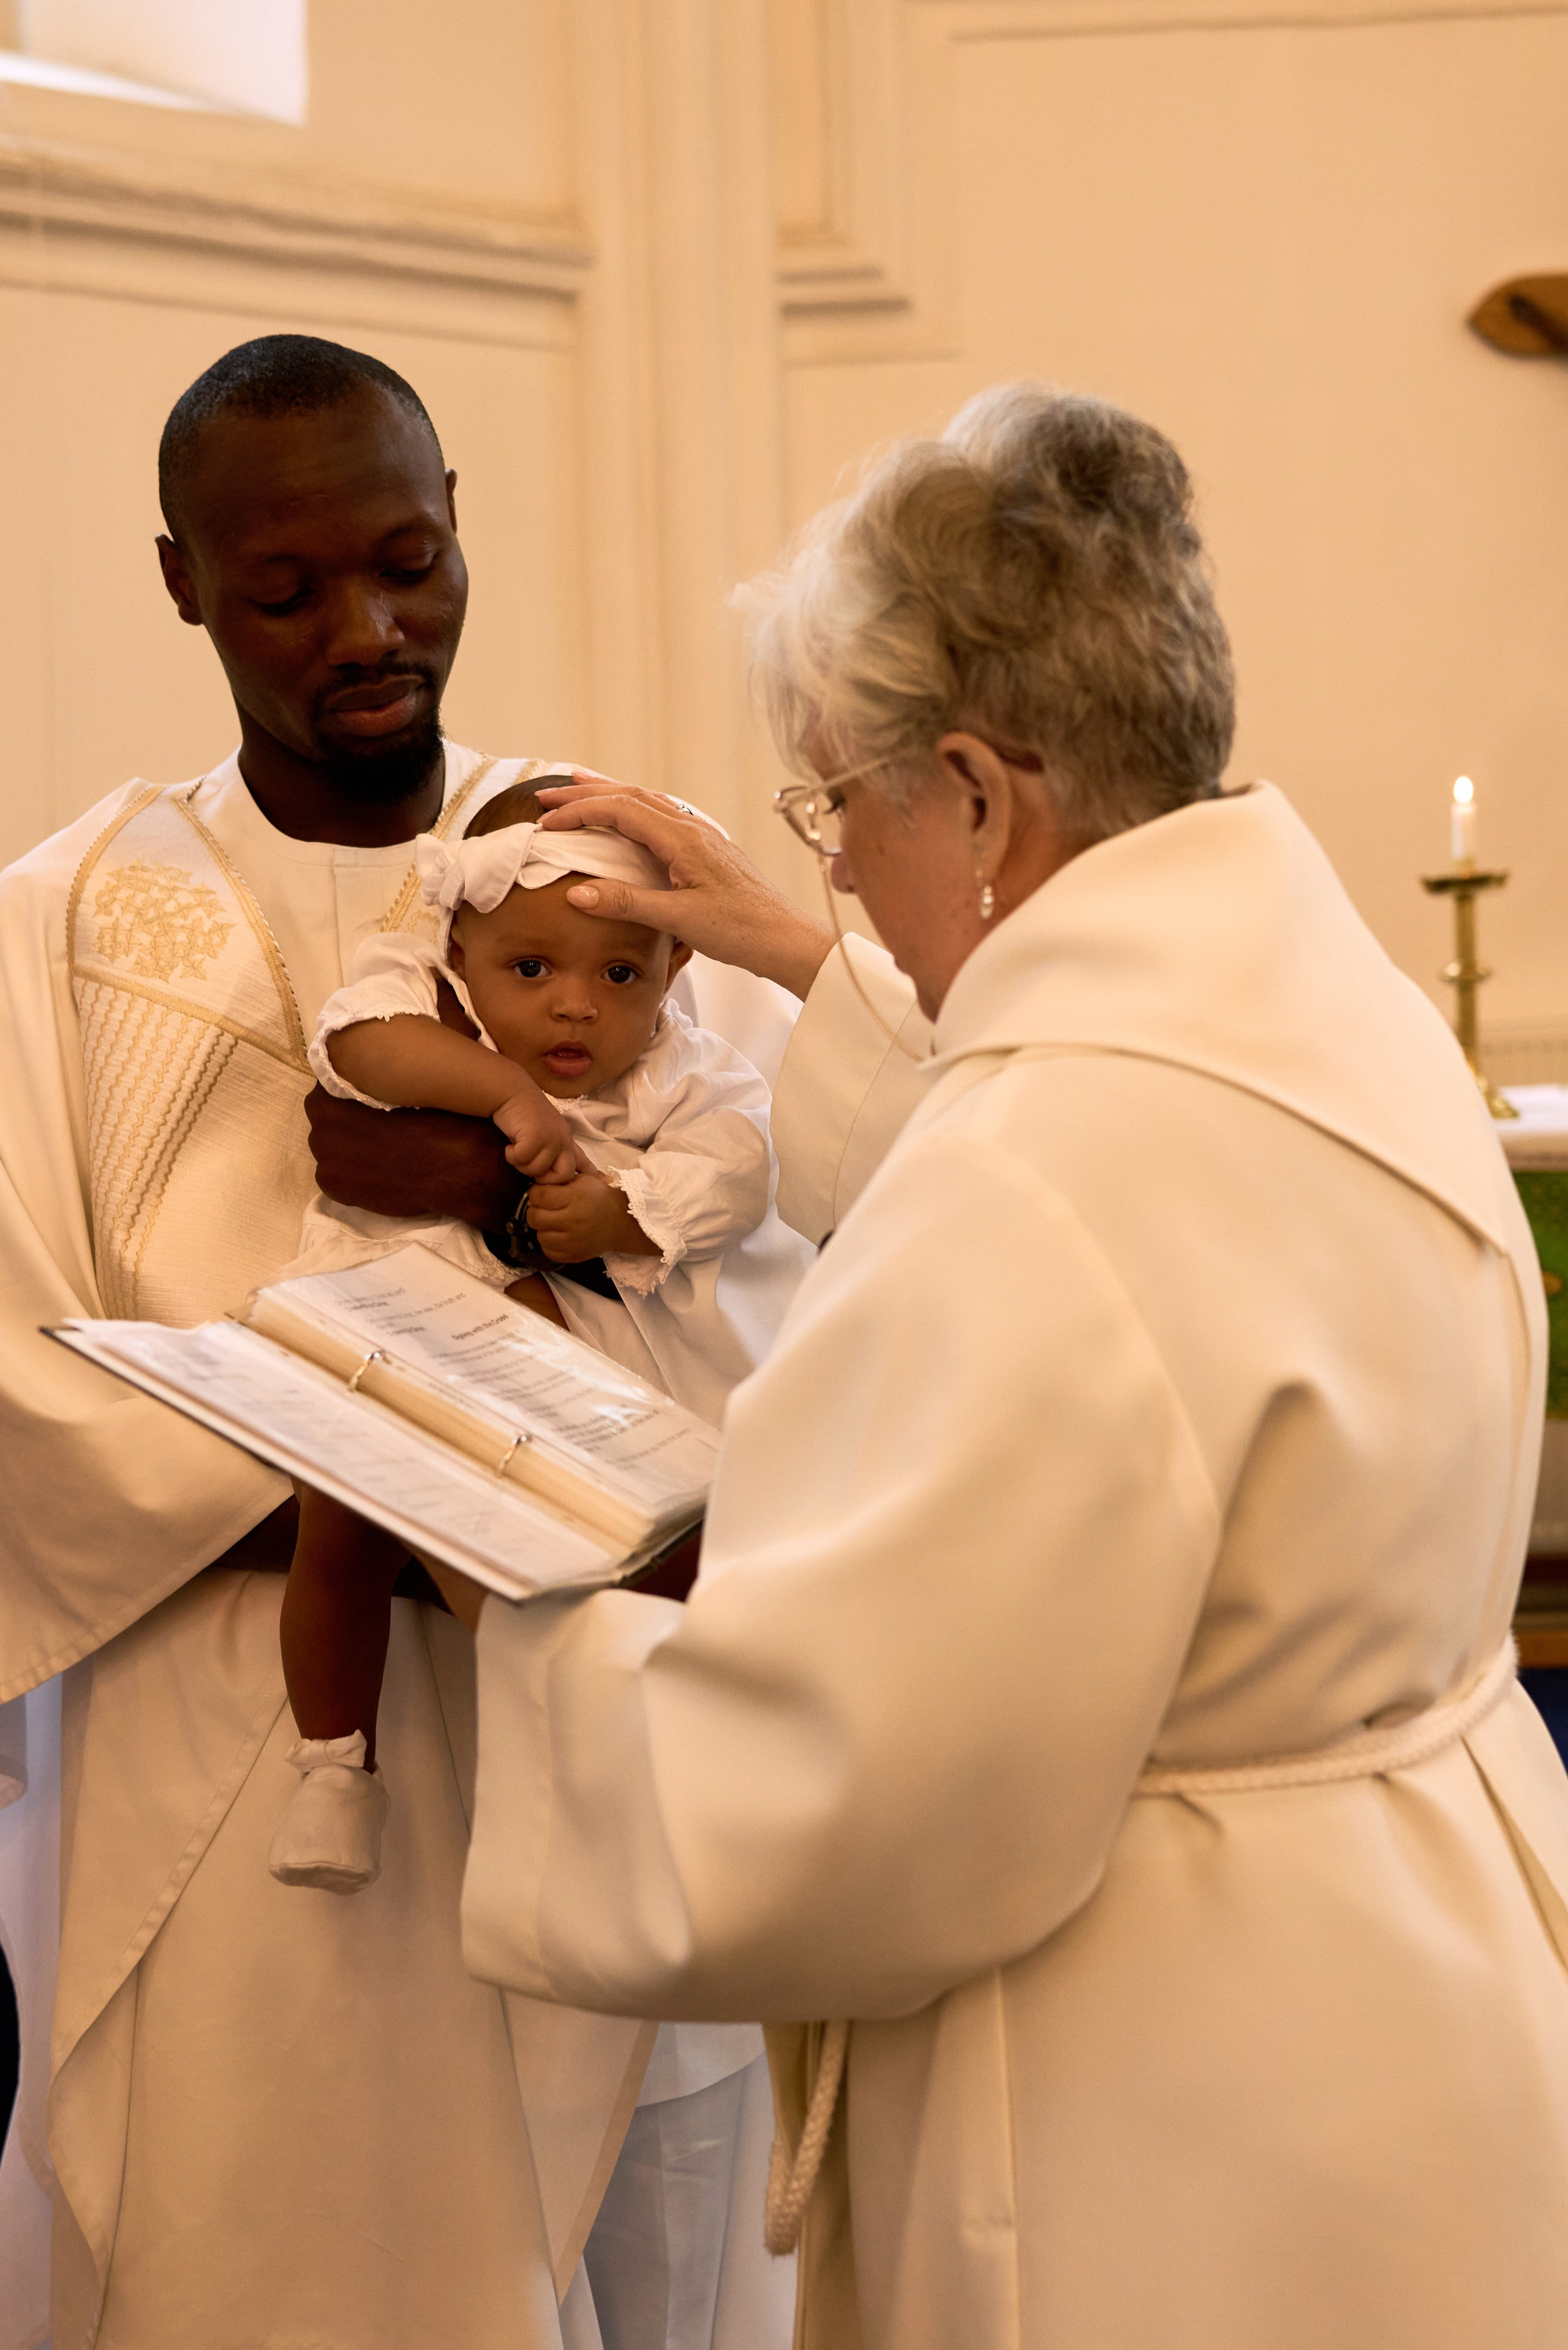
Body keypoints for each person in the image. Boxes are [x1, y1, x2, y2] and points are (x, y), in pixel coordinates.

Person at [421, 383, 1568, 2350]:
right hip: (1411, 1992)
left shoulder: (1052, 1179)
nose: (845, 872)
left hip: (1175, 2108)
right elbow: (1072, 1198)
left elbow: (833, 1789)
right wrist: (799, 955)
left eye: (841, 803)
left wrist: (501, 1581)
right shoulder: (1322, 996)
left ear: (978, 789)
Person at [0, 333, 797, 2350]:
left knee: (653, 2237)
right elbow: (18, 1360)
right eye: (288, 588)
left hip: (605, 1695)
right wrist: (396, 1482)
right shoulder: (62, 921)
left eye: (411, 559)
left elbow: (786, 1230)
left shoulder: (608, 869)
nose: (372, 628)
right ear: (181, 580)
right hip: (252, 1748)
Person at [273, 786, 801, 1894]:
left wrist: (626, 1209)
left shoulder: (683, 1070)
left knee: (562, 1556)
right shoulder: (424, 997)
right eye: (531, 970)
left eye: (622, 975)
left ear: (671, 973)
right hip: (379, 1317)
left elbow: (741, 1169)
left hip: (543, 1371)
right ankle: (332, 1760)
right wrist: (507, 1094)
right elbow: (359, 1046)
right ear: (462, 949)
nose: (576, 1009)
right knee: (339, 1534)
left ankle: (606, 1773)